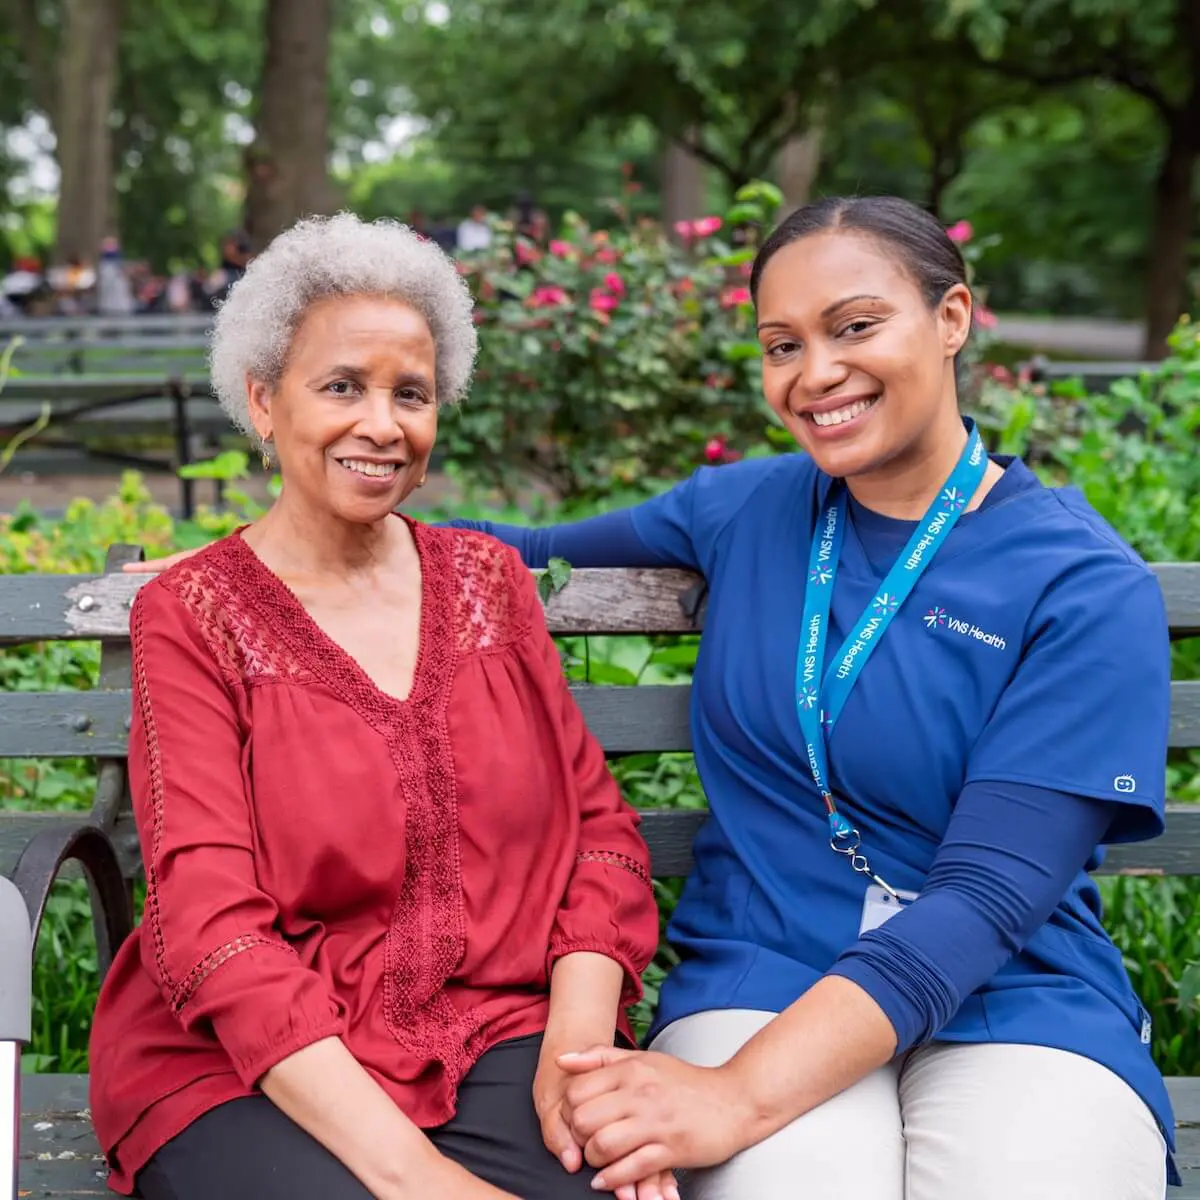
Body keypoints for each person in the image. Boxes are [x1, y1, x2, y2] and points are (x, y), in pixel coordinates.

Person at [126, 196, 1179, 1200]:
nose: (818, 373)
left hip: (1011, 994)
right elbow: (498, 555)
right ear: (263, 400)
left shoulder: (1081, 584)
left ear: (952, 318)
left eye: (855, 326)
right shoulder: (753, 509)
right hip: (768, 971)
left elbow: (987, 900)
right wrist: (240, 583)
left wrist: (725, 1096)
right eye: (782, 345)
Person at [92, 212, 668, 1200]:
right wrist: (418, 1183)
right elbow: (210, 926)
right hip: (250, 1059)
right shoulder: (192, 618)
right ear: (264, 402)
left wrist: (576, 1061)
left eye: (413, 393)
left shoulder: (487, 582)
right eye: (342, 387)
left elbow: (600, 834)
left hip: (490, 1025)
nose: (383, 425)